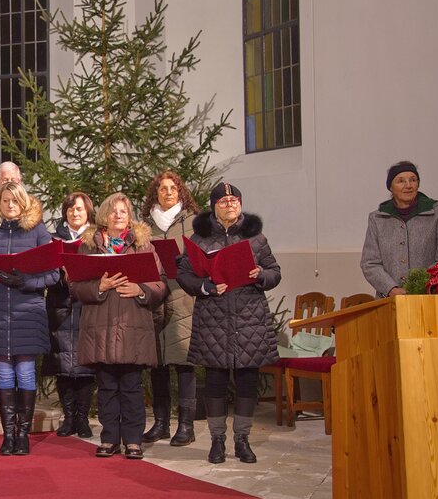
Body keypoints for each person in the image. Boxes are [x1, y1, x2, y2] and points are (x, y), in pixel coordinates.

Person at [177, 182, 281, 465]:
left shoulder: (255, 237)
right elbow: (184, 275)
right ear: (214, 207)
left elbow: (274, 272)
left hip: (249, 317)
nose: (230, 204)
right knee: (215, 381)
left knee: (247, 380)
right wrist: (206, 287)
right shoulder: (200, 239)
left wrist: (260, 274)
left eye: (234, 200)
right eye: (223, 201)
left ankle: (242, 440)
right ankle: (217, 440)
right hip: (213, 316)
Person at [68, 193, 167, 460]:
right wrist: (98, 286)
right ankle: (110, 438)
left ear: (129, 215)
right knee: (107, 387)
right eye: (113, 211)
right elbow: (75, 286)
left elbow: (160, 284)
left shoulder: (144, 245)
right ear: (104, 215)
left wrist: (141, 289)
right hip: (100, 326)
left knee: (132, 387)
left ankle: (133, 440)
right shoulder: (89, 245)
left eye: (123, 211)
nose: (118, 215)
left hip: (132, 324)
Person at [0, 181, 59, 456]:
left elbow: (54, 274)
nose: (10, 205)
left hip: (28, 311)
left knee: (25, 372)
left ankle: (23, 435)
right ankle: (8, 435)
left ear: (24, 203)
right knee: (4, 374)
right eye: (5, 200)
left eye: (15, 201)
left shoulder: (38, 231)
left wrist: (26, 281)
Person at [139, 171, 201, 447]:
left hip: (183, 296)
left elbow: (202, 257)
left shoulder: (193, 222)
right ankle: (161, 423)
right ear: (155, 193)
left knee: (184, 361)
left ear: (181, 192)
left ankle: (186, 425)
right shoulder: (145, 225)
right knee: (158, 363)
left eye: (173, 188)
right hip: (155, 297)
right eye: (162, 188)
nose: (168, 193)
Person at [360, 161, 438, 297]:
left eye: (413, 180)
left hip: (430, 298)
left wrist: (420, 286)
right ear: (390, 187)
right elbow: (369, 263)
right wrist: (391, 289)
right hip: (390, 300)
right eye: (401, 181)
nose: (408, 185)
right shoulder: (377, 219)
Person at [45, 191, 96, 439]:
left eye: (79, 209)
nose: (75, 213)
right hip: (60, 305)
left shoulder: (97, 238)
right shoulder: (53, 239)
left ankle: (82, 418)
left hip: (87, 305)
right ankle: (68, 417)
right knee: (62, 363)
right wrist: (59, 272)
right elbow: (44, 270)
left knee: (86, 365)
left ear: (88, 212)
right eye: (70, 209)